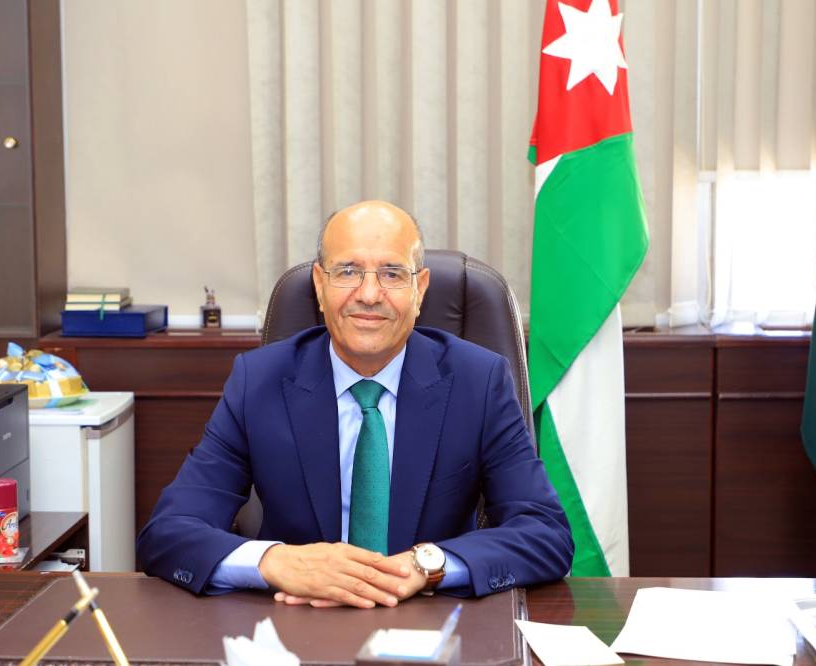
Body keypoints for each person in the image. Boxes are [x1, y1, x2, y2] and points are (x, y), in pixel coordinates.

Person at [137, 200, 573, 608]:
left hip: (432, 621)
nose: (368, 294)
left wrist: (426, 566)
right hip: (295, 621)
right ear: (319, 284)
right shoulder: (259, 381)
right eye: (347, 271)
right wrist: (276, 562)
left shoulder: (477, 382)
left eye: (392, 274)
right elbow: (169, 532)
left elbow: (545, 533)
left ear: (419, 289)